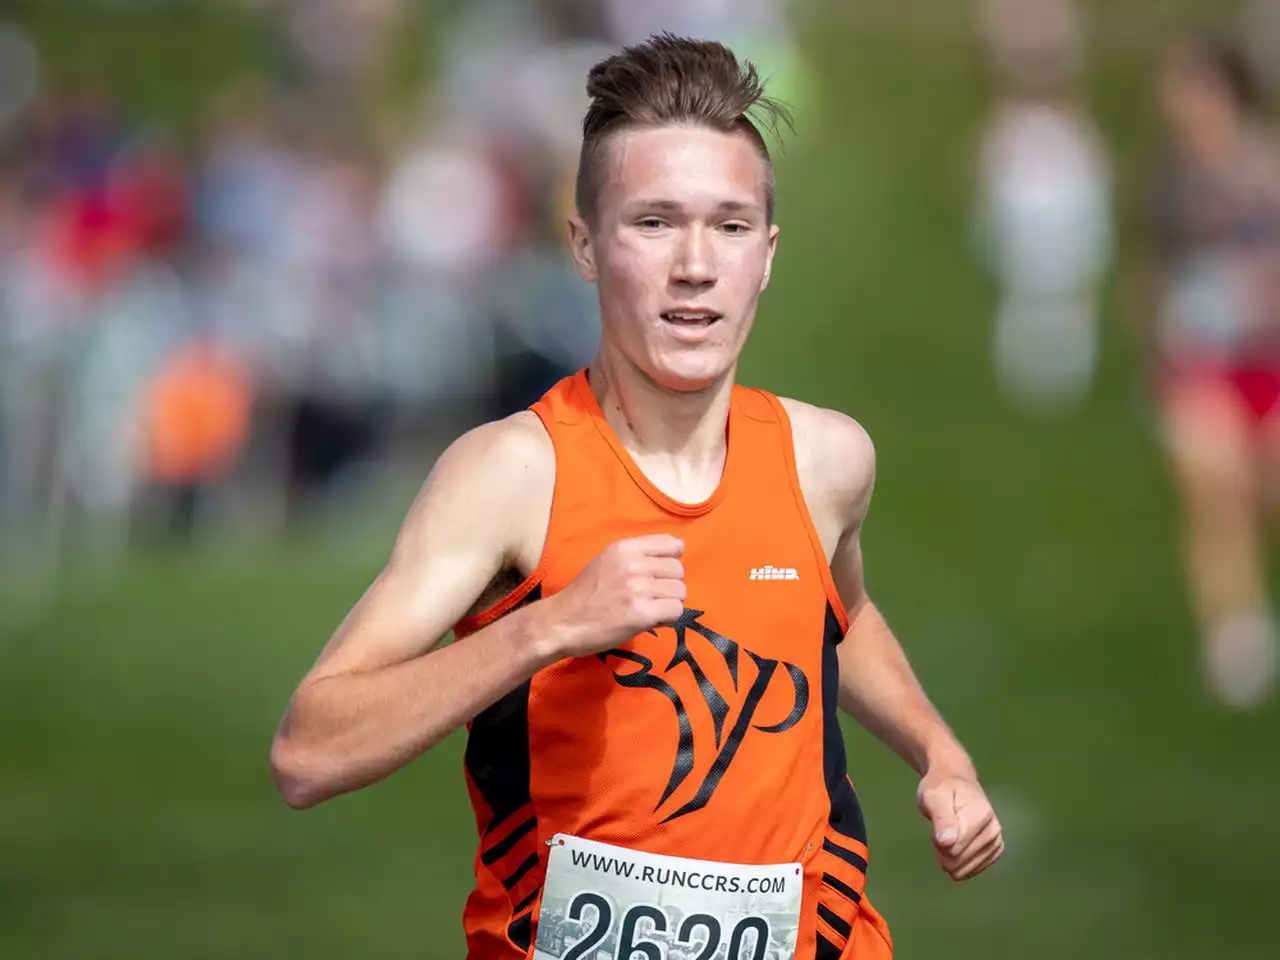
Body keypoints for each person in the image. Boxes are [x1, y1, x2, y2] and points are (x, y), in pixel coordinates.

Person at [270, 34, 1004, 959]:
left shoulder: (827, 460)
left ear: (767, 255)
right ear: (583, 244)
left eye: (730, 227)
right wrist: (546, 627)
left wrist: (939, 752)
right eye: (653, 223)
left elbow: (839, 615)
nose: (695, 265)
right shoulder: (511, 476)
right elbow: (308, 752)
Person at [1141, 31, 1280, 710]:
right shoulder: (1170, 183)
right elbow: (1152, 276)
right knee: (1212, 490)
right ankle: (1236, 636)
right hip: (1201, 363)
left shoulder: (1269, 171)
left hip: (1271, 360)